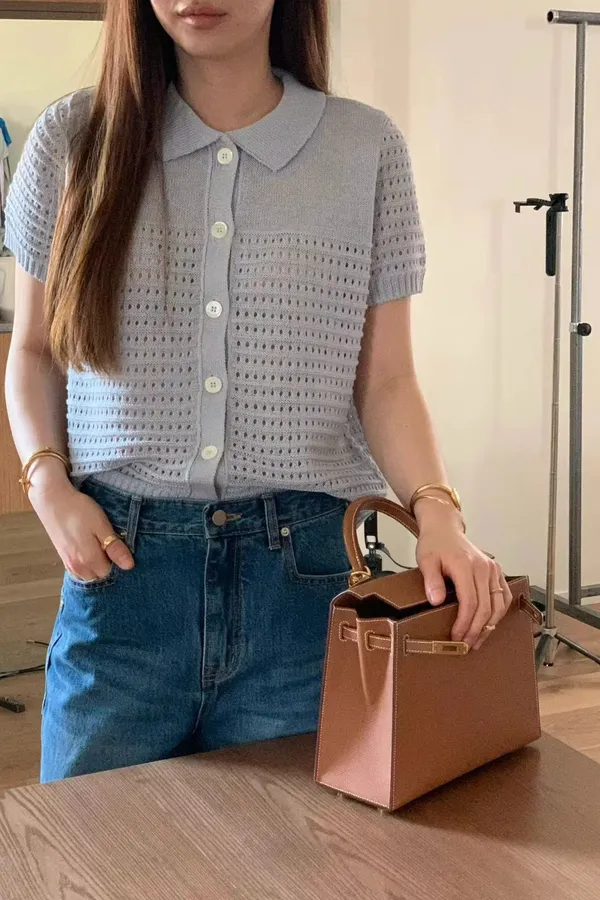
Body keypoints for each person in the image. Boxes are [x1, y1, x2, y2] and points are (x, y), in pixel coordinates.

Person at [4, 0, 513, 783]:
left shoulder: (363, 147)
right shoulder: (75, 137)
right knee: (92, 845)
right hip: (121, 575)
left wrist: (438, 512)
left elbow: (386, 380)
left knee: (292, 846)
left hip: (303, 582)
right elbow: (35, 349)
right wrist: (48, 489)